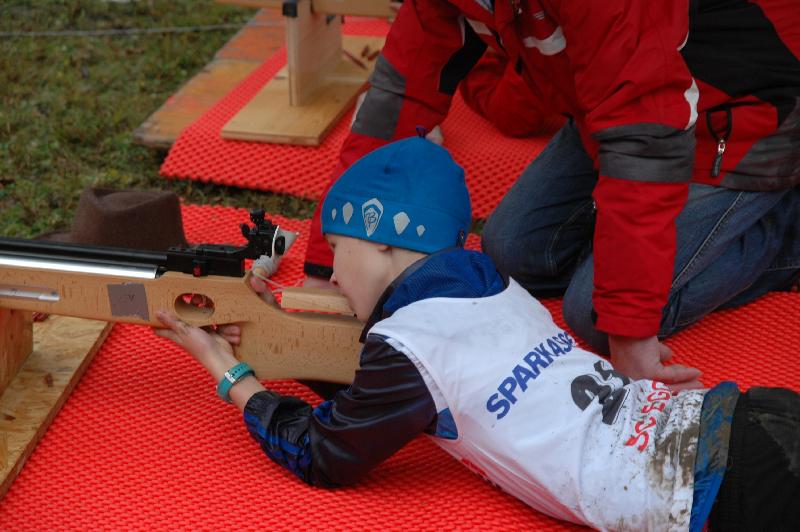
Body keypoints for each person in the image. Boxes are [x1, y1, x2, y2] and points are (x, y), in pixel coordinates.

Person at [155, 138, 799, 531]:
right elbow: (378, 397)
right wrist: (272, 339)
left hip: (719, 488)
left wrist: (229, 374)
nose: (335, 273)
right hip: (733, 421)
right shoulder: (491, 283)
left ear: (381, 240)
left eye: (338, 248)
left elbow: (326, 453)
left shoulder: (410, 351)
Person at [301, 0, 800, 388]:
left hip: (747, 118)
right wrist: (329, 265)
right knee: (513, 250)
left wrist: (631, 333)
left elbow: (644, 140)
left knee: (600, 317)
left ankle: (786, 232)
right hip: (611, 104)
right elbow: (399, 99)